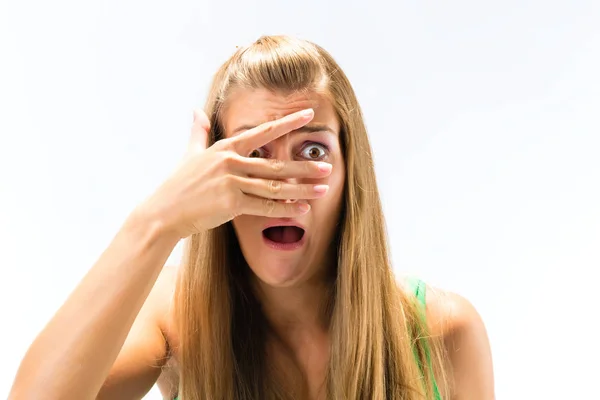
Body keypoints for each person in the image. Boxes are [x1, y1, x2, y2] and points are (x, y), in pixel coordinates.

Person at [9, 35, 494, 400]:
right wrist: (157, 221)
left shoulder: (444, 331)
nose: (282, 184)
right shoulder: (178, 317)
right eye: (254, 154)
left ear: (351, 173)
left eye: (311, 149)